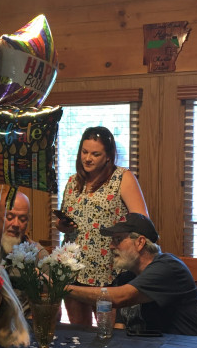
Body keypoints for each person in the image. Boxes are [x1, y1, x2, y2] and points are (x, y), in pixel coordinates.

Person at [56, 126, 148, 325]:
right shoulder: (72, 182)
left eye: (95, 154)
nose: (88, 158)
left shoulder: (122, 178)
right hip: (74, 268)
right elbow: (67, 222)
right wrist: (63, 225)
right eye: (84, 152)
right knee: (78, 334)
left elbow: (142, 221)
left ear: (108, 156)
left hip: (109, 268)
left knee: (110, 335)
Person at [65, 213, 197, 337]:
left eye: (118, 239)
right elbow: (120, 329)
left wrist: (63, 289)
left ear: (140, 242)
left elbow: (119, 297)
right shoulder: (126, 277)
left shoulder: (168, 267)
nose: (110, 246)